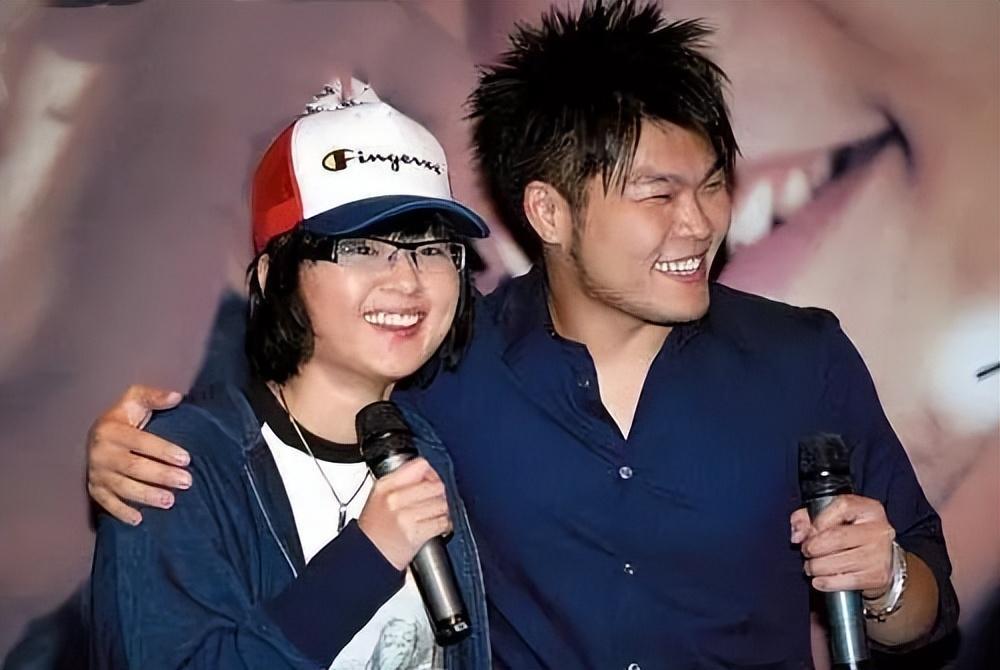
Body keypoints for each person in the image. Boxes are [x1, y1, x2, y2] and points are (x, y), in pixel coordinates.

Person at [85, 2, 958, 667]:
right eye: (656, 193)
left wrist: (885, 580)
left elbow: (930, 610)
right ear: (548, 210)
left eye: (710, 185)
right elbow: (292, 410)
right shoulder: (442, 375)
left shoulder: (802, 358)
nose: (698, 224)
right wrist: (132, 451)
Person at [89, 80, 491, 669]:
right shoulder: (175, 463)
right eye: (361, 248)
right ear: (273, 274)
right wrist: (367, 558)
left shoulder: (432, 447)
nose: (407, 280)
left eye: (431, 249)